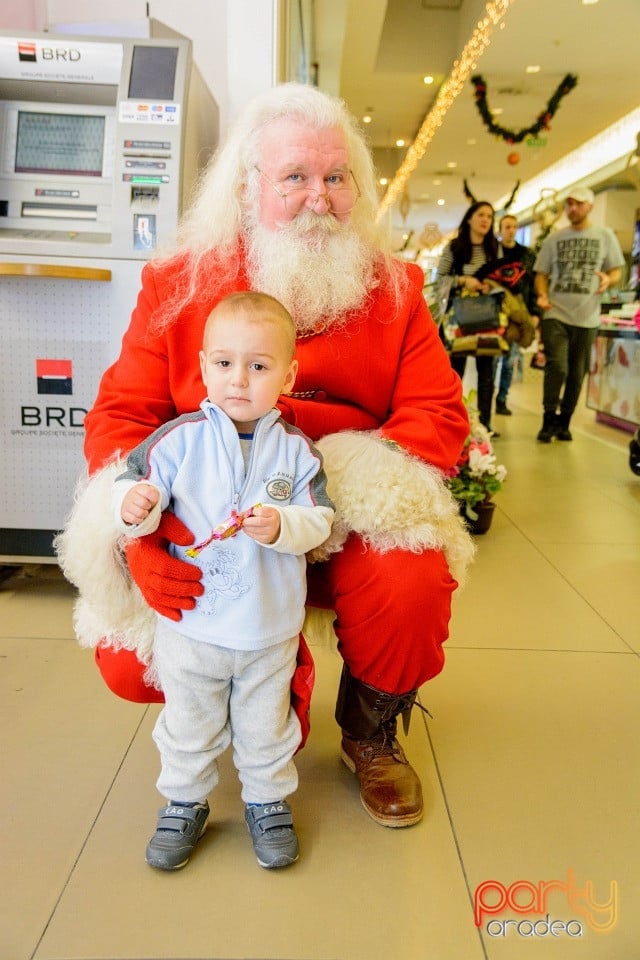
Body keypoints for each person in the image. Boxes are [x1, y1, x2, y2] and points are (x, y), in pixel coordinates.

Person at [56, 82, 475, 835]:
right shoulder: (179, 283)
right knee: (126, 662)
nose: (319, 196)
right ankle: (246, 697)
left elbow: (437, 415)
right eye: (294, 177)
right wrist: (138, 534)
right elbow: (123, 416)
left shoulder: (397, 289)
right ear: (250, 189)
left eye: (337, 176)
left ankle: (368, 730)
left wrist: (322, 493)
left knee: (411, 578)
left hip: (338, 508)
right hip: (208, 518)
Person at [113, 291, 334, 870]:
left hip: (268, 629)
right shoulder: (177, 440)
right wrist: (137, 504)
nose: (240, 380)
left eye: (259, 366)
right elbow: (135, 486)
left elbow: (320, 520)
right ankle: (183, 801)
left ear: (288, 373)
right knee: (189, 721)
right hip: (193, 625)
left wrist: (285, 525)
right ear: (203, 365)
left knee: (267, 725)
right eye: (225, 363)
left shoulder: (297, 454)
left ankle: (268, 802)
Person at [534, 187, 624, 442]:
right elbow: (541, 274)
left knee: (577, 372)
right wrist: (542, 294)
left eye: (578, 204)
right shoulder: (554, 239)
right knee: (558, 367)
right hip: (556, 313)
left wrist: (609, 278)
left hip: (588, 316)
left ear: (590, 206)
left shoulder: (604, 236)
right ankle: (548, 417)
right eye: (569, 204)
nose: (573, 208)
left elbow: (616, 271)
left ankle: (565, 420)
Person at [436, 201, 500, 434]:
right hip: (458, 318)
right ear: (470, 218)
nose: (485, 220)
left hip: (486, 317)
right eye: (481, 215)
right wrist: (464, 280)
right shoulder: (455, 247)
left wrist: (490, 285)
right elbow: (440, 279)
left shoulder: (495, 248)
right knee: (455, 373)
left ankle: (484, 424)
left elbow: (501, 279)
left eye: (490, 217)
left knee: (487, 373)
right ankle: (456, 422)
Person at [476, 213, 538, 416]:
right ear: (500, 230)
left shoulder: (526, 256)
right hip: (494, 313)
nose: (511, 230)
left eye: (514, 226)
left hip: (518, 313)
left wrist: (534, 313)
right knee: (492, 360)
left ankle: (502, 398)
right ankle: (488, 403)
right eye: (507, 226)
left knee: (510, 360)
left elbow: (533, 286)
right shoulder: (493, 254)